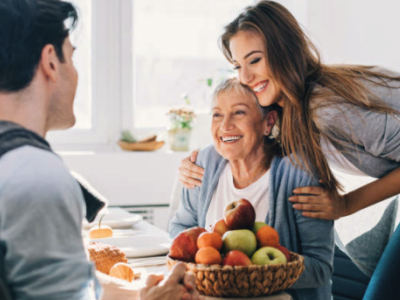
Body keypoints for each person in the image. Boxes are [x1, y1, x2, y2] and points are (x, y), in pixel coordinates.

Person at [178, 0, 400, 279]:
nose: (245, 77)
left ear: (286, 52)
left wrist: (346, 205)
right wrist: (197, 163)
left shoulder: (326, 108)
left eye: (255, 60)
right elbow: (245, 136)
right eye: (237, 66)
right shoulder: (288, 115)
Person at [0, 1, 200, 300]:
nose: (76, 74)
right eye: (72, 57)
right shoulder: (38, 177)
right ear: (51, 61)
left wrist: (139, 293)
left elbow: (62, 277)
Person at [170, 78, 334, 300]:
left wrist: (255, 274)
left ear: (268, 122)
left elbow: (320, 268)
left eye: (239, 112)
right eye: (217, 114)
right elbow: (180, 227)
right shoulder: (203, 164)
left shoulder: (299, 175)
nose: (225, 126)